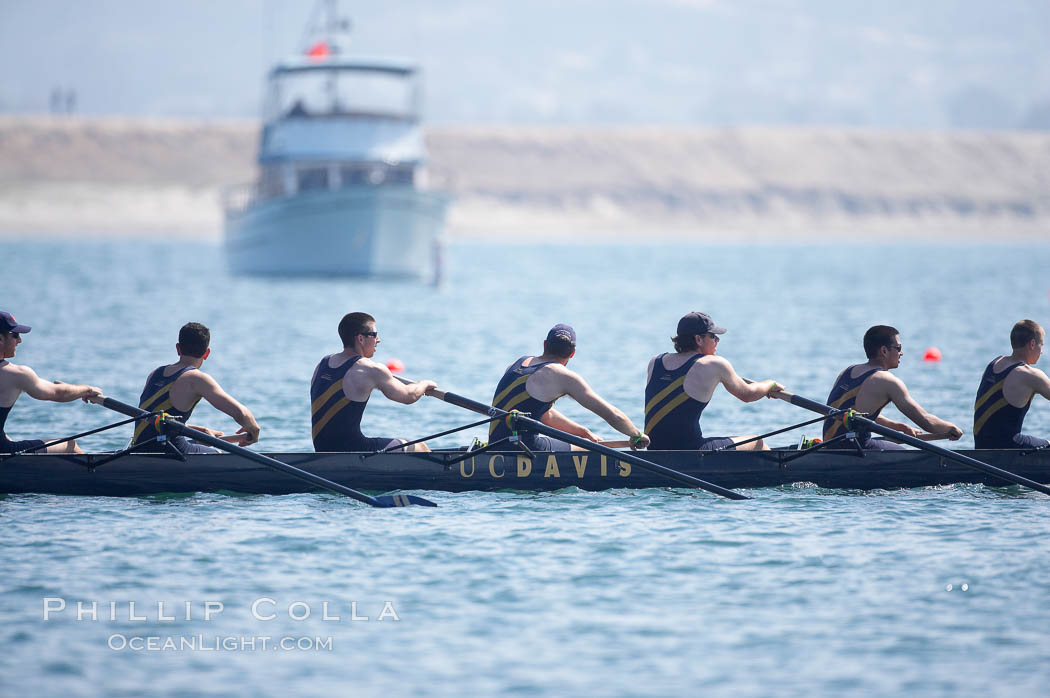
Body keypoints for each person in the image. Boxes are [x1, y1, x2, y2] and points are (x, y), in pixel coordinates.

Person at [488, 323, 650, 451]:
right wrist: (636, 434)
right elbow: (613, 415)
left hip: (494, 446)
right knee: (592, 450)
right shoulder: (563, 376)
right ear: (572, 353)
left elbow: (545, 415)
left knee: (584, 442)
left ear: (545, 345)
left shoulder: (517, 363)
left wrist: (584, 433)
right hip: (524, 448)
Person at [645, 312, 782, 451]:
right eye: (713, 336)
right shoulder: (714, 364)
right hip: (691, 453)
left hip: (654, 451)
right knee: (757, 443)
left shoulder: (655, 361)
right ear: (698, 339)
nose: (717, 340)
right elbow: (748, 394)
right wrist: (769, 384)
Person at [125, 322, 260, 453]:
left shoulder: (155, 373)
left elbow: (155, 422)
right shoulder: (196, 378)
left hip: (138, 448)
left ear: (178, 348)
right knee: (218, 453)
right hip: (170, 451)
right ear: (206, 353)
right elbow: (240, 413)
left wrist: (202, 431)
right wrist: (254, 430)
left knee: (201, 439)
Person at [311, 313, 436, 452]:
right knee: (420, 448)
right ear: (361, 339)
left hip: (321, 451)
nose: (378, 340)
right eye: (374, 334)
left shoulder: (323, 363)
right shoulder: (370, 369)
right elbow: (408, 396)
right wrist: (424, 384)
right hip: (354, 450)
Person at [823, 325, 963, 448]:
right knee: (903, 454)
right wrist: (951, 428)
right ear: (884, 351)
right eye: (898, 348)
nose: (901, 353)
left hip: (828, 446)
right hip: (856, 450)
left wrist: (898, 426)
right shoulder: (888, 381)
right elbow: (926, 421)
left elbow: (857, 413)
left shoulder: (847, 371)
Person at [0, 311, 102, 454]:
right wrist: (88, 390)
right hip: (3, 451)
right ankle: (93, 476)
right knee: (70, 446)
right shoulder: (16, 374)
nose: (19, 341)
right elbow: (58, 393)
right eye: (15, 335)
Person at [973, 319, 1050, 449]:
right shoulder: (1031, 375)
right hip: (1008, 448)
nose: (1041, 351)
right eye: (1041, 345)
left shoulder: (994, 363)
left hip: (981, 449)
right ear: (1032, 344)